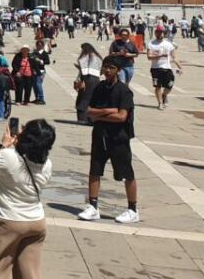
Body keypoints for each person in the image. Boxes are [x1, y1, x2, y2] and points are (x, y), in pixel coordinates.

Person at [0, 119, 55, 279]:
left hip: (7, 220)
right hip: (36, 221)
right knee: (29, 274)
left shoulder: (7, 156)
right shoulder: (47, 164)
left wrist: (4, 146)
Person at [78, 56, 139, 224]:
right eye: (105, 67)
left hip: (119, 138)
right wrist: (109, 111)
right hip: (100, 135)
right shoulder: (99, 87)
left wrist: (100, 115)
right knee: (94, 170)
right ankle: (93, 206)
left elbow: (121, 117)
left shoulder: (124, 91)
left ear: (118, 70)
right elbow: (89, 111)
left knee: (126, 173)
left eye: (111, 67)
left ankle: (133, 209)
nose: (107, 70)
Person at [147, 30, 183, 110]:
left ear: (164, 34)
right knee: (157, 86)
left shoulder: (168, 44)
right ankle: (160, 103)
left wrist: (180, 67)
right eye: (158, 32)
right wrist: (159, 56)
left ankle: (164, 95)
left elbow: (174, 57)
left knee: (170, 84)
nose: (159, 34)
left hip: (167, 68)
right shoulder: (151, 44)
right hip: (155, 68)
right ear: (155, 33)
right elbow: (149, 57)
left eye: (161, 32)